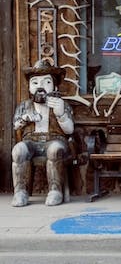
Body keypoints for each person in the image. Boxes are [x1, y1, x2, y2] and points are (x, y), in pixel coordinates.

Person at [11, 60, 74, 207]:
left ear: (54, 85)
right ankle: (20, 191)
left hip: (55, 140)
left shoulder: (60, 104)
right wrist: (24, 119)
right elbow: (15, 126)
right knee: (18, 150)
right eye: (35, 83)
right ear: (30, 87)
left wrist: (61, 114)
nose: (40, 86)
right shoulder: (25, 106)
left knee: (54, 150)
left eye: (46, 82)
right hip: (31, 142)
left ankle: (55, 191)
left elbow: (69, 130)